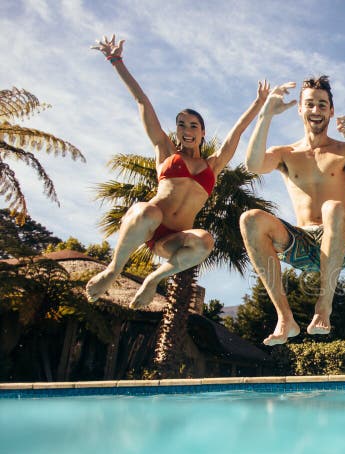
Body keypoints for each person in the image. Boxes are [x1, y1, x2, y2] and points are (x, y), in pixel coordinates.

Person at [85, 35, 269, 308]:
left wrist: (259, 103)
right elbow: (143, 102)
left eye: (194, 125)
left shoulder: (213, 165)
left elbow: (237, 132)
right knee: (147, 210)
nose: (187, 130)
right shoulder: (166, 151)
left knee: (205, 240)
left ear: (202, 132)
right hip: (148, 225)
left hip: (171, 241)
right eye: (181, 125)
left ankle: (153, 280)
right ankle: (113, 269)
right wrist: (116, 61)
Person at [241, 75, 345, 345]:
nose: (316, 111)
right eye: (310, 104)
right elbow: (253, 165)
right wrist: (266, 114)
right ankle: (285, 317)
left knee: (333, 207)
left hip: (342, 240)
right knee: (250, 219)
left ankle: (324, 306)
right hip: (302, 245)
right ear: (300, 108)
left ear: (331, 110)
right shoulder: (286, 153)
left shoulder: (344, 150)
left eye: (322, 105)